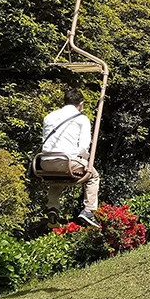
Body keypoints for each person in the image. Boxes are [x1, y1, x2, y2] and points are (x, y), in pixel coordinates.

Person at [40, 89, 101, 228]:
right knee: (93, 175)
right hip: (67, 162)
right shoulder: (81, 119)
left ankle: (52, 208)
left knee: (56, 179)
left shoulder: (49, 117)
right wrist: (84, 159)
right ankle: (89, 210)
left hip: (45, 163)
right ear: (81, 104)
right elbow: (84, 147)